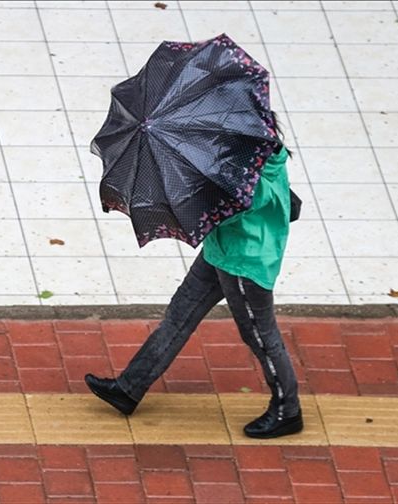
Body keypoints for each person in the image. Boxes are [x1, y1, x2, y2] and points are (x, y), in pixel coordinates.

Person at [85, 116, 302, 439]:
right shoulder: (261, 152)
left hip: (244, 263)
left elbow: (213, 211)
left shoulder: (246, 175)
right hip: (221, 252)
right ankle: (128, 388)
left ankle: (288, 411)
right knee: (179, 315)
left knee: (260, 336)